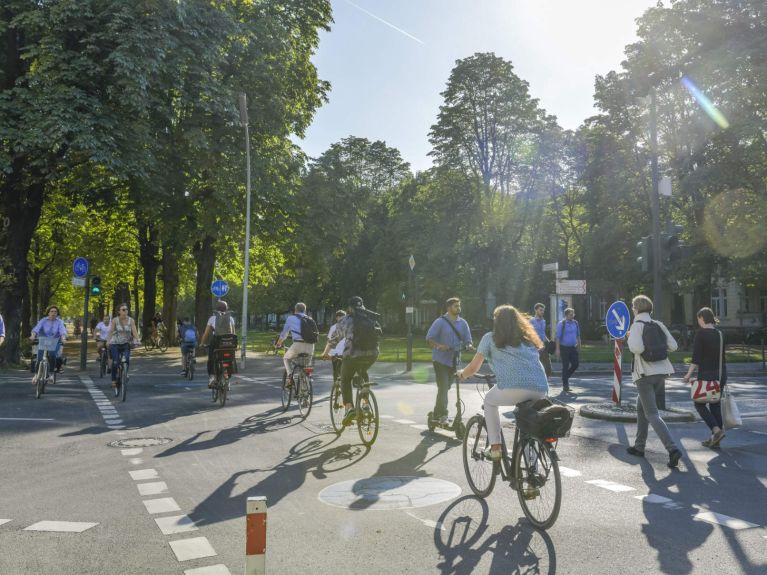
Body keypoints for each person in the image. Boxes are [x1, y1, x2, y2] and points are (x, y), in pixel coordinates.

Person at [458, 305, 549, 460]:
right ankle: (532, 475)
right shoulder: (528, 339)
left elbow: (473, 367)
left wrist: (462, 374)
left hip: (513, 387)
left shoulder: (490, 338)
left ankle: (495, 448)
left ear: (497, 321)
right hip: (540, 388)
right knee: (527, 426)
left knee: (489, 401)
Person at [625, 295, 683, 468]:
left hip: (645, 374)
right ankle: (639, 446)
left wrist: (631, 337)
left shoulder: (637, 325)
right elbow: (673, 346)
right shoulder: (657, 324)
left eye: (633, 307)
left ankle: (673, 449)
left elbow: (637, 348)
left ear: (635, 309)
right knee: (640, 407)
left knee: (652, 414)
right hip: (661, 372)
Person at [322, 296, 381, 425]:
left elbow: (334, 339)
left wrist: (325, 353)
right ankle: (366, 405)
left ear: (349, 308)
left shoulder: (346, 320)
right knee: (363, 371)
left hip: (353, 355)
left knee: (345, 378)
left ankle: (349, 408)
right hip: (373, 354)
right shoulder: (370, 317)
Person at [682, 307, 727, 448]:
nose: (698, 321)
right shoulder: (720, 334)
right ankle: (716, 439)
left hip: (707, 375)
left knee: (699, 403)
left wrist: (688, 375)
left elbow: (696, 358)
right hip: (721, 374)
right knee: (715, 404)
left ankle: (716, 430)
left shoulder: (701, 334)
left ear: (702, 318)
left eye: (698, 319)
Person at [426, 297, 474, 424]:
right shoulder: (440, 322)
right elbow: (429, 338)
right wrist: (439, 346)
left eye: (459, 306)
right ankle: (443, 415)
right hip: (440, 360)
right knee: (443, 387)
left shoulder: (463, 323)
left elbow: (468, 339)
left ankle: (436, 413)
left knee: (446, 387)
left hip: (455, 360)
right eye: (456, 306)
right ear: (449, 308)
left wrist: (469, 345)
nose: (459, 308)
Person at [275, 302, 317, 382]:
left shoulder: (290, 318)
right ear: (304, 310)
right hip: (311, 345)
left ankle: (290, 377)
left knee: (286, 358)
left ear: (295, 310)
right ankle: (306, 386)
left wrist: (278, 343)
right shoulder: (310, 319)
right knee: (306, 366)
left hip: (298, 345)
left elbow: (284, 334)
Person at [200, 301, 236, 388]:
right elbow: (234, 333)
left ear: (216, 309)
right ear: (227, 309)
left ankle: (212, 377)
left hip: (217, 342)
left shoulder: (212, 318)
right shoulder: (230, 318)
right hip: (229, 343)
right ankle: (227, 377)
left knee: (212, 358)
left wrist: (202, 343)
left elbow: (206, 333)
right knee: (229, 358)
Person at [30, 305, 68, 382]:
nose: (53, 313)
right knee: (39, 358)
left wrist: (63, 338)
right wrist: (33, 336)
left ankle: (50, 374)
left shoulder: (60, 322)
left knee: (52, 355)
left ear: (57, 314)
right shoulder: (43, 320)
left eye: (55, 312)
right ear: (48, 313)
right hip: (43, 340)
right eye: (52, 311)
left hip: (55, 341)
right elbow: (36, 329)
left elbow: (62, 331)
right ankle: (36, 375)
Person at [105, 303, 139, 388]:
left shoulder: (131, 320)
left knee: (126, 360)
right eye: (123, 310)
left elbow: (134, 331)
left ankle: (125, 373)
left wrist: (137, 340)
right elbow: (111, 331)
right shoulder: (115, 320)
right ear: (119, 311)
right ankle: (113, 380)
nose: (126, 311)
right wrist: (108, 341)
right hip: (115, 344)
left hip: (126, 344)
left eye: (126, 309)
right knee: (115, 362)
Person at [555, 307, 581, 392]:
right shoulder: (561, 323)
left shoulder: (575, 323)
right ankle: (565, 386)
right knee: (565, 366)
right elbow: (558, 338)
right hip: (564, 348)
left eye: (573, 314)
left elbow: (578, 336)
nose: (573, 315)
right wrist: (558, 349)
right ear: (566, 315)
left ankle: (565, 377)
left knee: (575, 364)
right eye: (571, 314)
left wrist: (579, 346)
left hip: (573, 347)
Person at [530, 303, 552, 377]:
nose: (542, 312)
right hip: (534, 347)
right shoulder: (531, 321)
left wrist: (548, 342)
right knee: (535, 367)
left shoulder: (543, 321)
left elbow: (542, 333)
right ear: (536, 310)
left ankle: (544, 382)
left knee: (548, 368)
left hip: (543, 346)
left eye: (543, 310)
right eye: (540, 310)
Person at [327, 310, 347, 382]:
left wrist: (326, 353)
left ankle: (336, 387)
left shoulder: (333, 327)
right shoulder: (348, 326)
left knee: (336, 371)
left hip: (335, 353)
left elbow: (330, 340)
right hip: (344, 352)